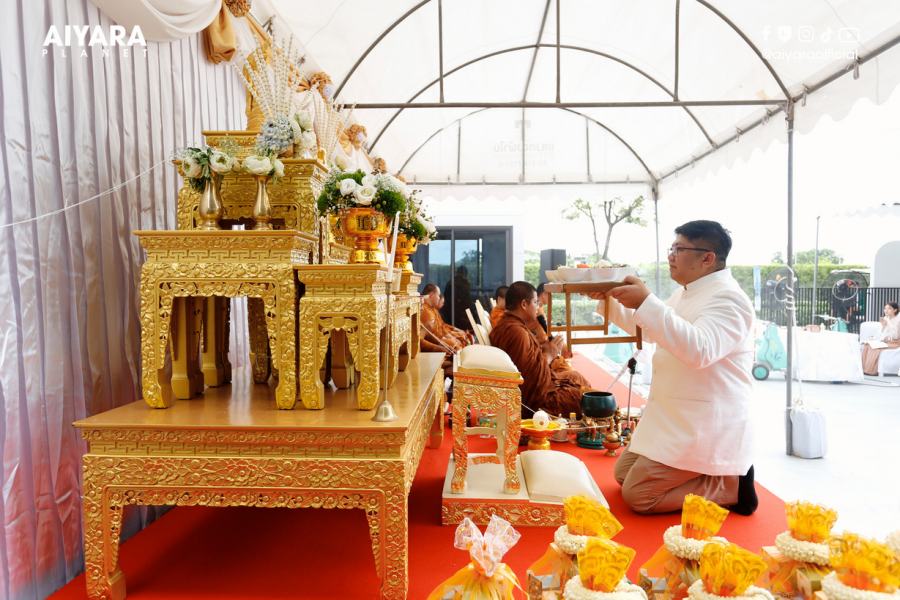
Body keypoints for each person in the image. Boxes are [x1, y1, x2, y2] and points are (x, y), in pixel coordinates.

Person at [593, 220, 757, 516]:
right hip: (673, 415)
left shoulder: (729, 298)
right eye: (672, 248)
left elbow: (700, 350)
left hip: (703, 422)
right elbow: (652, 328)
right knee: (623, 475)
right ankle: (711, 477)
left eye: (679, 249)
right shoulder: (686, 292)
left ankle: (729, 486)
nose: (671, 256)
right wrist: (610, 299)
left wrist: (646, 302)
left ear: (707, 258)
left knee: (639, 495)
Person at [490, 281, 591, 417]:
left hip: (538, 389)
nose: (537, 307)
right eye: (535, 302)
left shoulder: (508, 324)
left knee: (576, 378)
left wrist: (545, 348)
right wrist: (549, 354)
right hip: (537, 403)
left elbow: (527, 361)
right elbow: (527, 381)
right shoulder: (517, 332)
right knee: (589, 398)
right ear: (524, 304)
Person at [421, 283, 472, 351]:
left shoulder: (433, 309)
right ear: (431, 295)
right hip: (437, 341)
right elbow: (428, 335)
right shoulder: (424, 310)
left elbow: (442, 326)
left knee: (462, 338)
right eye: (438, 295)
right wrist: (443, 343)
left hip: (441, 338)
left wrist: (453, 333)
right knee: (457, 345)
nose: (439, 298)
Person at [861, 301, 900, 375]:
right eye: (885, 308)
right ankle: (864, 369)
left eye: (889, 309)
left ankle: (871, 371)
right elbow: (882, 334)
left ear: (895, 310)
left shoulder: (898, 319)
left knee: (875, 348)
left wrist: (888, 322)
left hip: (896, 343)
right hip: (887, 341)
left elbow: (895, 335)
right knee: (867, 345)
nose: (886, 310)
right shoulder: (886, 318)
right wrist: (883, 326)